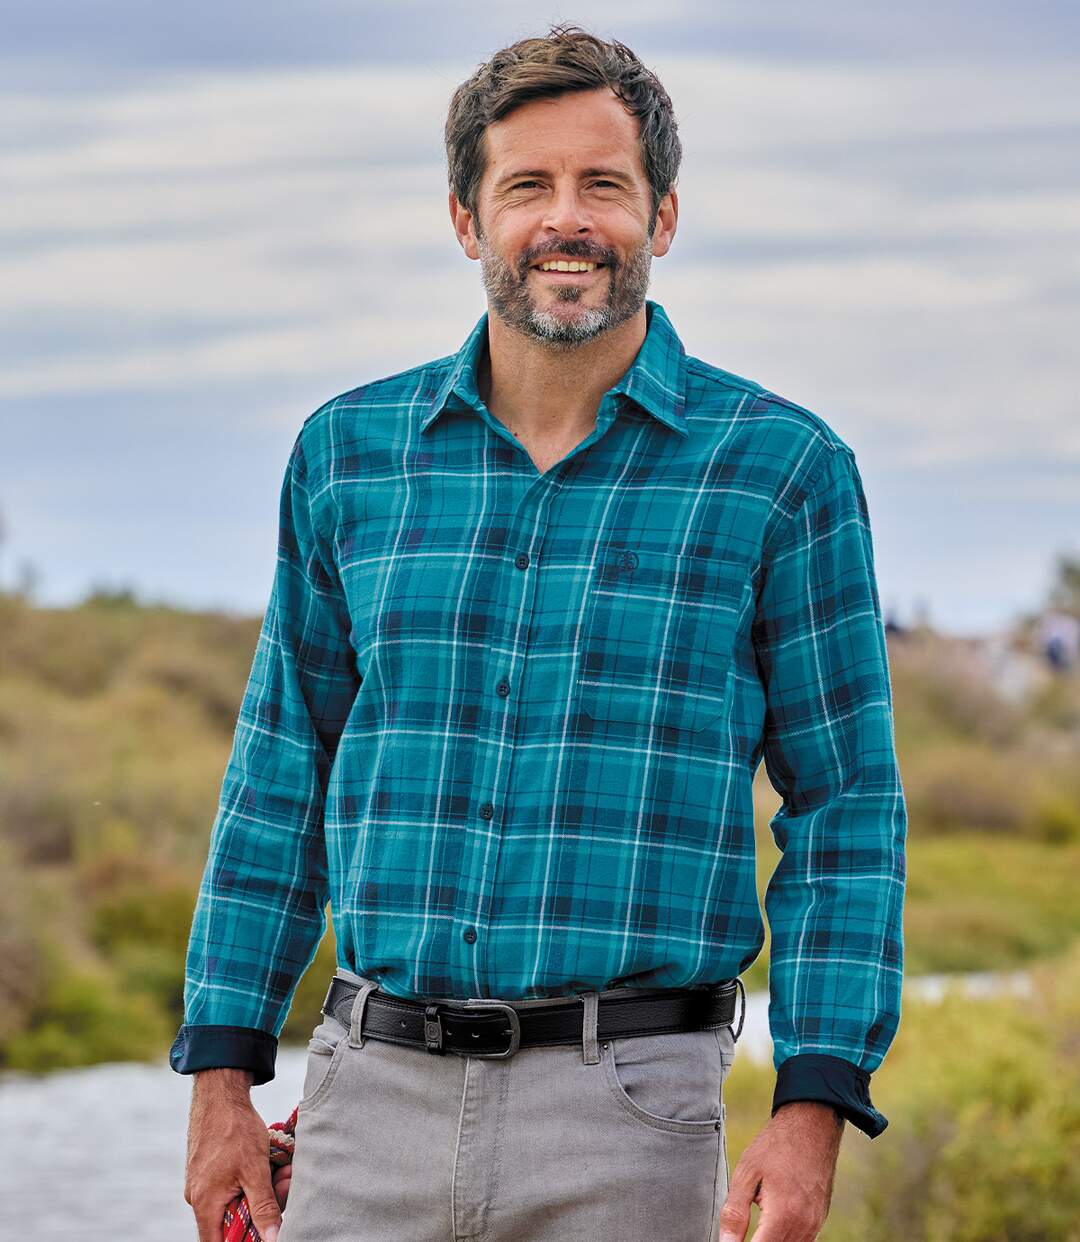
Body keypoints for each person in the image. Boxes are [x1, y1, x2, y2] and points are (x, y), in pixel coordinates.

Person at [171, 24, 907, 1242]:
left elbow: (846, 809)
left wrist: (816, 1095)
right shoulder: (347, 457)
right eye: (527, 187)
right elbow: (277, 773)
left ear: (663, 216)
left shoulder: (781, 472)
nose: (566, 220)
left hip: (632, 1110)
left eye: (603, 185)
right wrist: (221, 1081)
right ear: (468, 220)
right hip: (367, 1103)